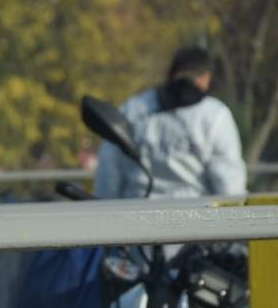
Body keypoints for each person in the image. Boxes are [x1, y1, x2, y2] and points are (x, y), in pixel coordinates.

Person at [95, 45, 246, 200]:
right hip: (196, 216)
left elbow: (109, 171)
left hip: (135, 213)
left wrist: (107, 212)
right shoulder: (215, 115)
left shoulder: (133, 109)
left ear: (170, 73)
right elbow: (229, 184)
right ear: (205, 78)